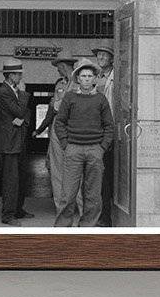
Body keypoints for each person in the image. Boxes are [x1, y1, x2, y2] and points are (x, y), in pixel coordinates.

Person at [53, 58, 114, 227]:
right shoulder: (70, 98)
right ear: (78, 79)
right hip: (74, 150)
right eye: (83, 76)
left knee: (93, 195)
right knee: (68, 194)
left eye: (89, 76)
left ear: (94, 79)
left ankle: (87, 228)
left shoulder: (101, 100)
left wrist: (102, 148)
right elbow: (60, 122)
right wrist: (66, 144)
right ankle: (62, 229)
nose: (86, 79)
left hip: (95, 150)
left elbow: (109, 125)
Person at [32, 54, 77, 215]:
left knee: (76, 169)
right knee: (57, 169)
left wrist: (59, 104)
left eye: (58, 66)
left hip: (74, 129)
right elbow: (53, 109)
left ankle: (77, 205)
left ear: (64, 65)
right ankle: (62, 207)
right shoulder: (59, 83)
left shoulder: (79, 82)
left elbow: (61, 106)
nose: (57, 70)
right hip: (58, 130)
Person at [0, 59, 32, 225]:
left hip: (18, 140)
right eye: (18, 74)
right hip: (10, 143)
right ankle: (7, 215)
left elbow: (26, 113)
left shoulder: (13, 90)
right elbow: (18, 110)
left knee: (21, 178)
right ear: (10, 76)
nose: (21, 77)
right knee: (11, 181)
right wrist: (23, 95)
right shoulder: (3, 92)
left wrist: (21, 118)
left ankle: (17, 210)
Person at [92, 43, 116, 226]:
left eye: (104, 55)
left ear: (111, 59)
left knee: (106, 176)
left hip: (109, 131)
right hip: (97, 130)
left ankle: (105, 217)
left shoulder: (115, 77)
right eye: (99, 54)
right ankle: (99, 215)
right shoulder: (98, 77)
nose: (100, 58)